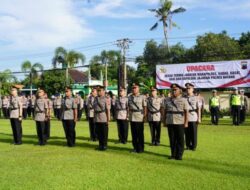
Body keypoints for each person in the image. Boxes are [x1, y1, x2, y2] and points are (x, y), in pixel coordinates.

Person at [162, 83, 188, 160]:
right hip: (170, 121)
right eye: (172, 90)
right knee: (172, 139)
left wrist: (186, 122)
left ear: (180, 91)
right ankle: (173, 154)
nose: (174, 91)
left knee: (180, 139)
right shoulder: (167, 100)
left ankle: (179, 155)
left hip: (180, 121)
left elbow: (186, 112)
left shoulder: (183, 100)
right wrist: (164, 121)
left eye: (175, 90)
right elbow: (165, 111)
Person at [128, 83, 147, 153]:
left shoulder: (142, 97)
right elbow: (129, 107)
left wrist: (145, 116)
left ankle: (141, 148)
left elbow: (145, 107)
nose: (134, 89)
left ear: (138, 89)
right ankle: (135, 147)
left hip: (139, 117)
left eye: (135, 88)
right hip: (132, 116)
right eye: (133, 88)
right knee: (134, 134)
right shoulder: (129, 97)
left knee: (140, 134)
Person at [184, 83, 201, 151]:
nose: (188, 90)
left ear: (192, 89)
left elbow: (198, 108)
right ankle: (188, 145)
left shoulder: (196, 98)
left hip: (193, 116)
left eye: (189, 88)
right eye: (187, 88)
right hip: (186, 116)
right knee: (187, 132)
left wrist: (199, 118)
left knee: (193, 132)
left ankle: (193, 146)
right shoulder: (183, 97)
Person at [93, 86, 110, 151]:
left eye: (100, 90)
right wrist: (94, 118)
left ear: (103, 91)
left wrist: (108, 119)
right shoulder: (95, 98)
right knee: (99, 133)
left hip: (103, 117)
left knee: (104, 133)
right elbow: (94, 109)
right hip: (97, 117)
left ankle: (104, 145)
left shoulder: (106, 99)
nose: (98, 92)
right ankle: (100, 145)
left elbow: (107, 110)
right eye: (98, 91)